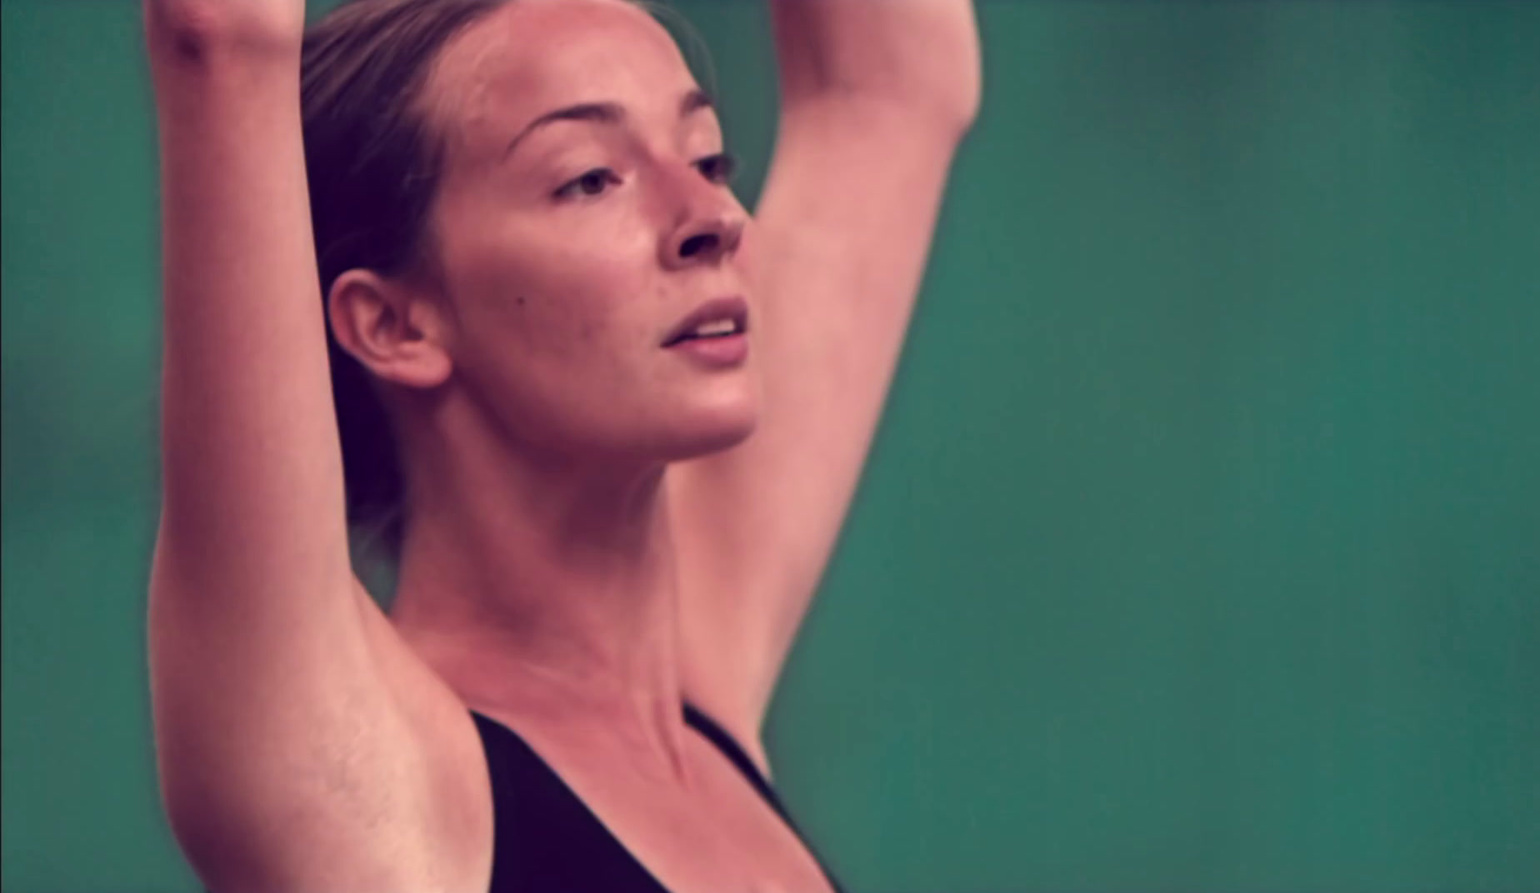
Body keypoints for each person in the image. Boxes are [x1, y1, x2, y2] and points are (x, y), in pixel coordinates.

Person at [141, 0, 980, 888]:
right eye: (590, 179)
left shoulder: (697, 691)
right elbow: (217, 34)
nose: (714, 216)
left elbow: (890, 77)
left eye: (708, 158)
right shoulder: (381, 792)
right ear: (391, 323)